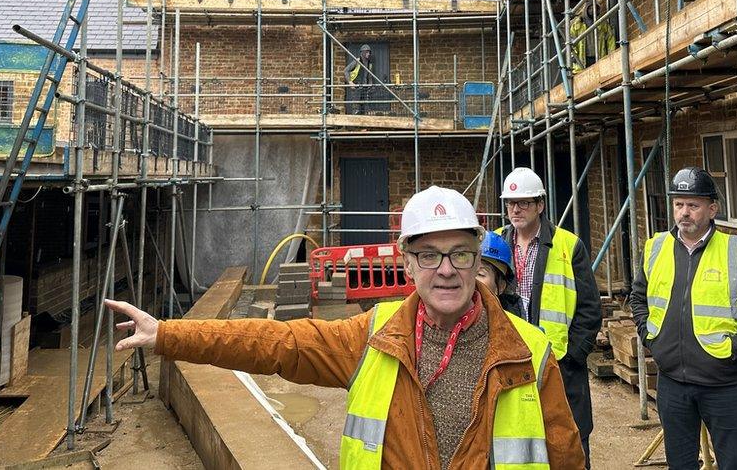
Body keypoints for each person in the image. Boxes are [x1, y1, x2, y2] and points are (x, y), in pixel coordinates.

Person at [107, 185, 585, 469]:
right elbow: (278, 344)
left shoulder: (528, 352)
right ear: (406, 264)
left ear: (477, 258)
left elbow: (565, 457)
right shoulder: (373, 337)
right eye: (428, 255)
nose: (446, 269)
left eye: (460, 253)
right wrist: (168, 334)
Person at [629, 166, 737, 470]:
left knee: (733, 463)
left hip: (723, 384)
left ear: (712, 208)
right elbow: (638, 298)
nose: (684, 212)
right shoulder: (655, 248)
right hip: (671, 383)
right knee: (681, 464)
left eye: (693, 205)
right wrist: (650, 336)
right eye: (679, 204)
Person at [497, 166, 602, 466]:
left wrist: (574, 355)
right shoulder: (496, 244)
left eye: (524, 203)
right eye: (510, 203)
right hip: (511, 362)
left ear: (540, 204)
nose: (515, 209)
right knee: (517, 443)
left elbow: (589, 308)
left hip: (560, 365)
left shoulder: (568, 245)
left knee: (568, 442)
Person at [477, 231, 525, 317]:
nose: (470, 280)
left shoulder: (516, 328)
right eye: (467, 271)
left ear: (501, 286)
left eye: (480, 274)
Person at [344, 43, 375, 114]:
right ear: (362, 53)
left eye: (369, 52)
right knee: (356, 106)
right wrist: (350, 82)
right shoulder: (357, 61)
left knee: (364, 107)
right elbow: (346, 70)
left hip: (365, 88)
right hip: (357, 87)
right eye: (367, 52)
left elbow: (369, 76)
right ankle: (355, 122)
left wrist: (370, 84)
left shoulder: (369, 63)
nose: (368, 54)